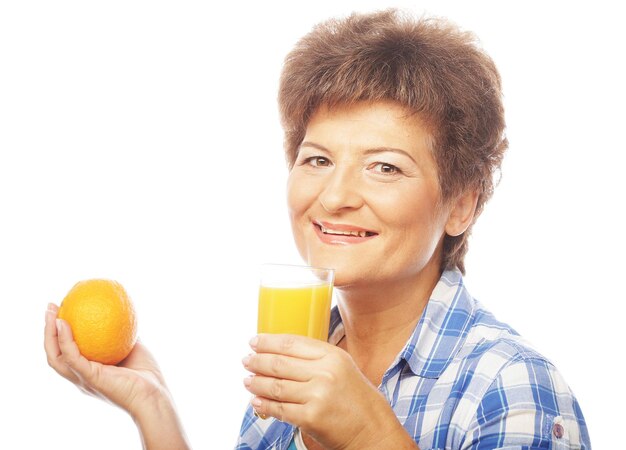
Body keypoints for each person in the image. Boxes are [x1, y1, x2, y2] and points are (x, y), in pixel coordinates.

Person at [44, 8, 590, 450]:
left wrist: (367, 434)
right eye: (318, 160)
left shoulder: (512, 389)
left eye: (385, 167)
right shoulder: (295, 364)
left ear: (462, 205)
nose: (334, 197)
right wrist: (154, 406)